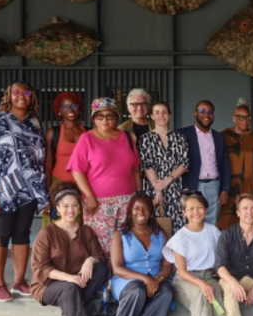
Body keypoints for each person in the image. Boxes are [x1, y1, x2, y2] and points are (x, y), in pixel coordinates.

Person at [0, 81, 49, 301]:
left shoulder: (34, 124)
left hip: (28, 191)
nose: (21, 96)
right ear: (9, 95)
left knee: (22, 234)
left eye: (26, 92)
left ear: (31, 96)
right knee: (1, 234)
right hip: (2, 190)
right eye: (16, 92)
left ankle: (19, 281)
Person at [30, 183, 109, 316]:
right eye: (65, 206)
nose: (70, 210)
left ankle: (69, 312)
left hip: (76, 282)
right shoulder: (47, 233)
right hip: (49, 284)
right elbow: (39, 268)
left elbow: (99, 256)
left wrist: (90, 259)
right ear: (58, 208)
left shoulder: (86, 231)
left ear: (80, 208)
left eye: (74, 205)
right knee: (69, 287)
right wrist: (69, 277)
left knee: (101, 269)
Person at [163, 192, 232, 316]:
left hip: (209, 275)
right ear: (184, 212)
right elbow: (182, 271)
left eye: (199, 208)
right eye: (191, 209)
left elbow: (221, 257)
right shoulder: (180, 237)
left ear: (206, 210)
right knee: (202, 294)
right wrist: (201, 283)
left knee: (216, 292)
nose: (196, 212)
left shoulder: (212, 231)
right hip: (186, 280)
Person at [68, 97, 141, 259]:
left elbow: (135, 169)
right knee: (101, 244)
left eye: (110, 116)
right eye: (100, 116)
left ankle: (122, 278)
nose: (105, 120)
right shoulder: (86, 139)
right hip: (99, 202)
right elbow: (77, 171)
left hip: (128, 199)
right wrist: (90, 197)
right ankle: (103, 280)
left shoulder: (127, 138)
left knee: (127, 241)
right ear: (93, 118)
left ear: (116, 117)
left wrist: (139, 195)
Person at [107, 192, 174, 316]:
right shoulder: (120, 235)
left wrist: (157, 280)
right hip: (126, 280)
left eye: (145, 208)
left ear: (151, 212)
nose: (141, 212)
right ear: (130, 212)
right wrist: (146, 279)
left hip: (155, 280)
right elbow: (117, 268)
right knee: (137, 290)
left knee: (167, 291)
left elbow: (167, 264)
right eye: (136, 208)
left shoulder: (160, 234)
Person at [179, 100, 231, 227]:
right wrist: (184, 187)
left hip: (214, 185)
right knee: (192, 222)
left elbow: (224, 164)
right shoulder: (183, 134)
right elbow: (178, 162)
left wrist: (225, 189)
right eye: (202, 110)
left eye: (210, 112)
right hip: (193, 186)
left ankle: (209, 247)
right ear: (195, 113)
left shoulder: (219, 137)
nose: (206, 114)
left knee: (211, 222)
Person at [139, 102, 189, 231]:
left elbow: (184, 163)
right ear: (151, 116)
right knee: (153, 226)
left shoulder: (179, 138)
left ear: (170, 115)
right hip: (153, 189)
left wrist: (168, 180)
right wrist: (158, 189)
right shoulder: (145, 139)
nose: (161, 115)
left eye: (164, 112)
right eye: (157, 112)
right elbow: (147, 164)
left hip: (174, 189)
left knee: (176, 226)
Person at [219, 101, 253, 230]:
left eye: (247, 117)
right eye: (240, 117)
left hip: (252, 187)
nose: (244, 120)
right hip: (230, 188)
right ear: (234, 118)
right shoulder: (224, 136)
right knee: (226, 221)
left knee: (251, 219)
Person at [43, 91, 86, 227]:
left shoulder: (89, 132)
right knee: (58, 226)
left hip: (83, 186)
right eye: (65, 107)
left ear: (79, 109)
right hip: (58, 184)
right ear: (59, 111)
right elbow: (48, 166)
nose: (70, 110)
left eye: (74, 106)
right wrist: (47, 195)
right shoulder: (53, 133)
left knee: (79, 227)